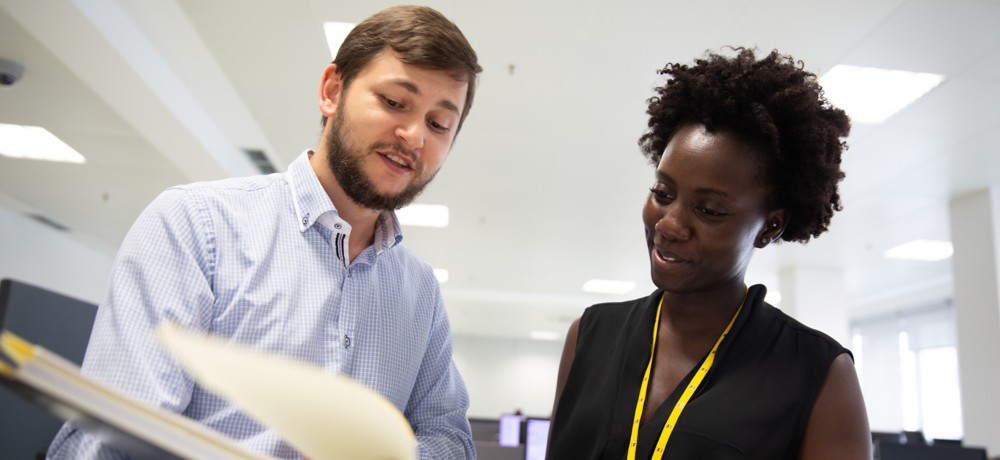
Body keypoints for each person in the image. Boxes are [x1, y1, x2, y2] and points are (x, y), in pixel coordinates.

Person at [47, 5, 481, 459]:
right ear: (332, 91)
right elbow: (107, 441)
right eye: (394, 102)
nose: (414, 136)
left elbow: (448, 437)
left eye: (439, 124)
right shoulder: (196, 226)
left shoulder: (421, 294)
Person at [547, 48, 871, 459]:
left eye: (709, 210)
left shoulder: (818, 374)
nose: (668, 224)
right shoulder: (590, 336)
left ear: (770, 225)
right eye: (663, 193)